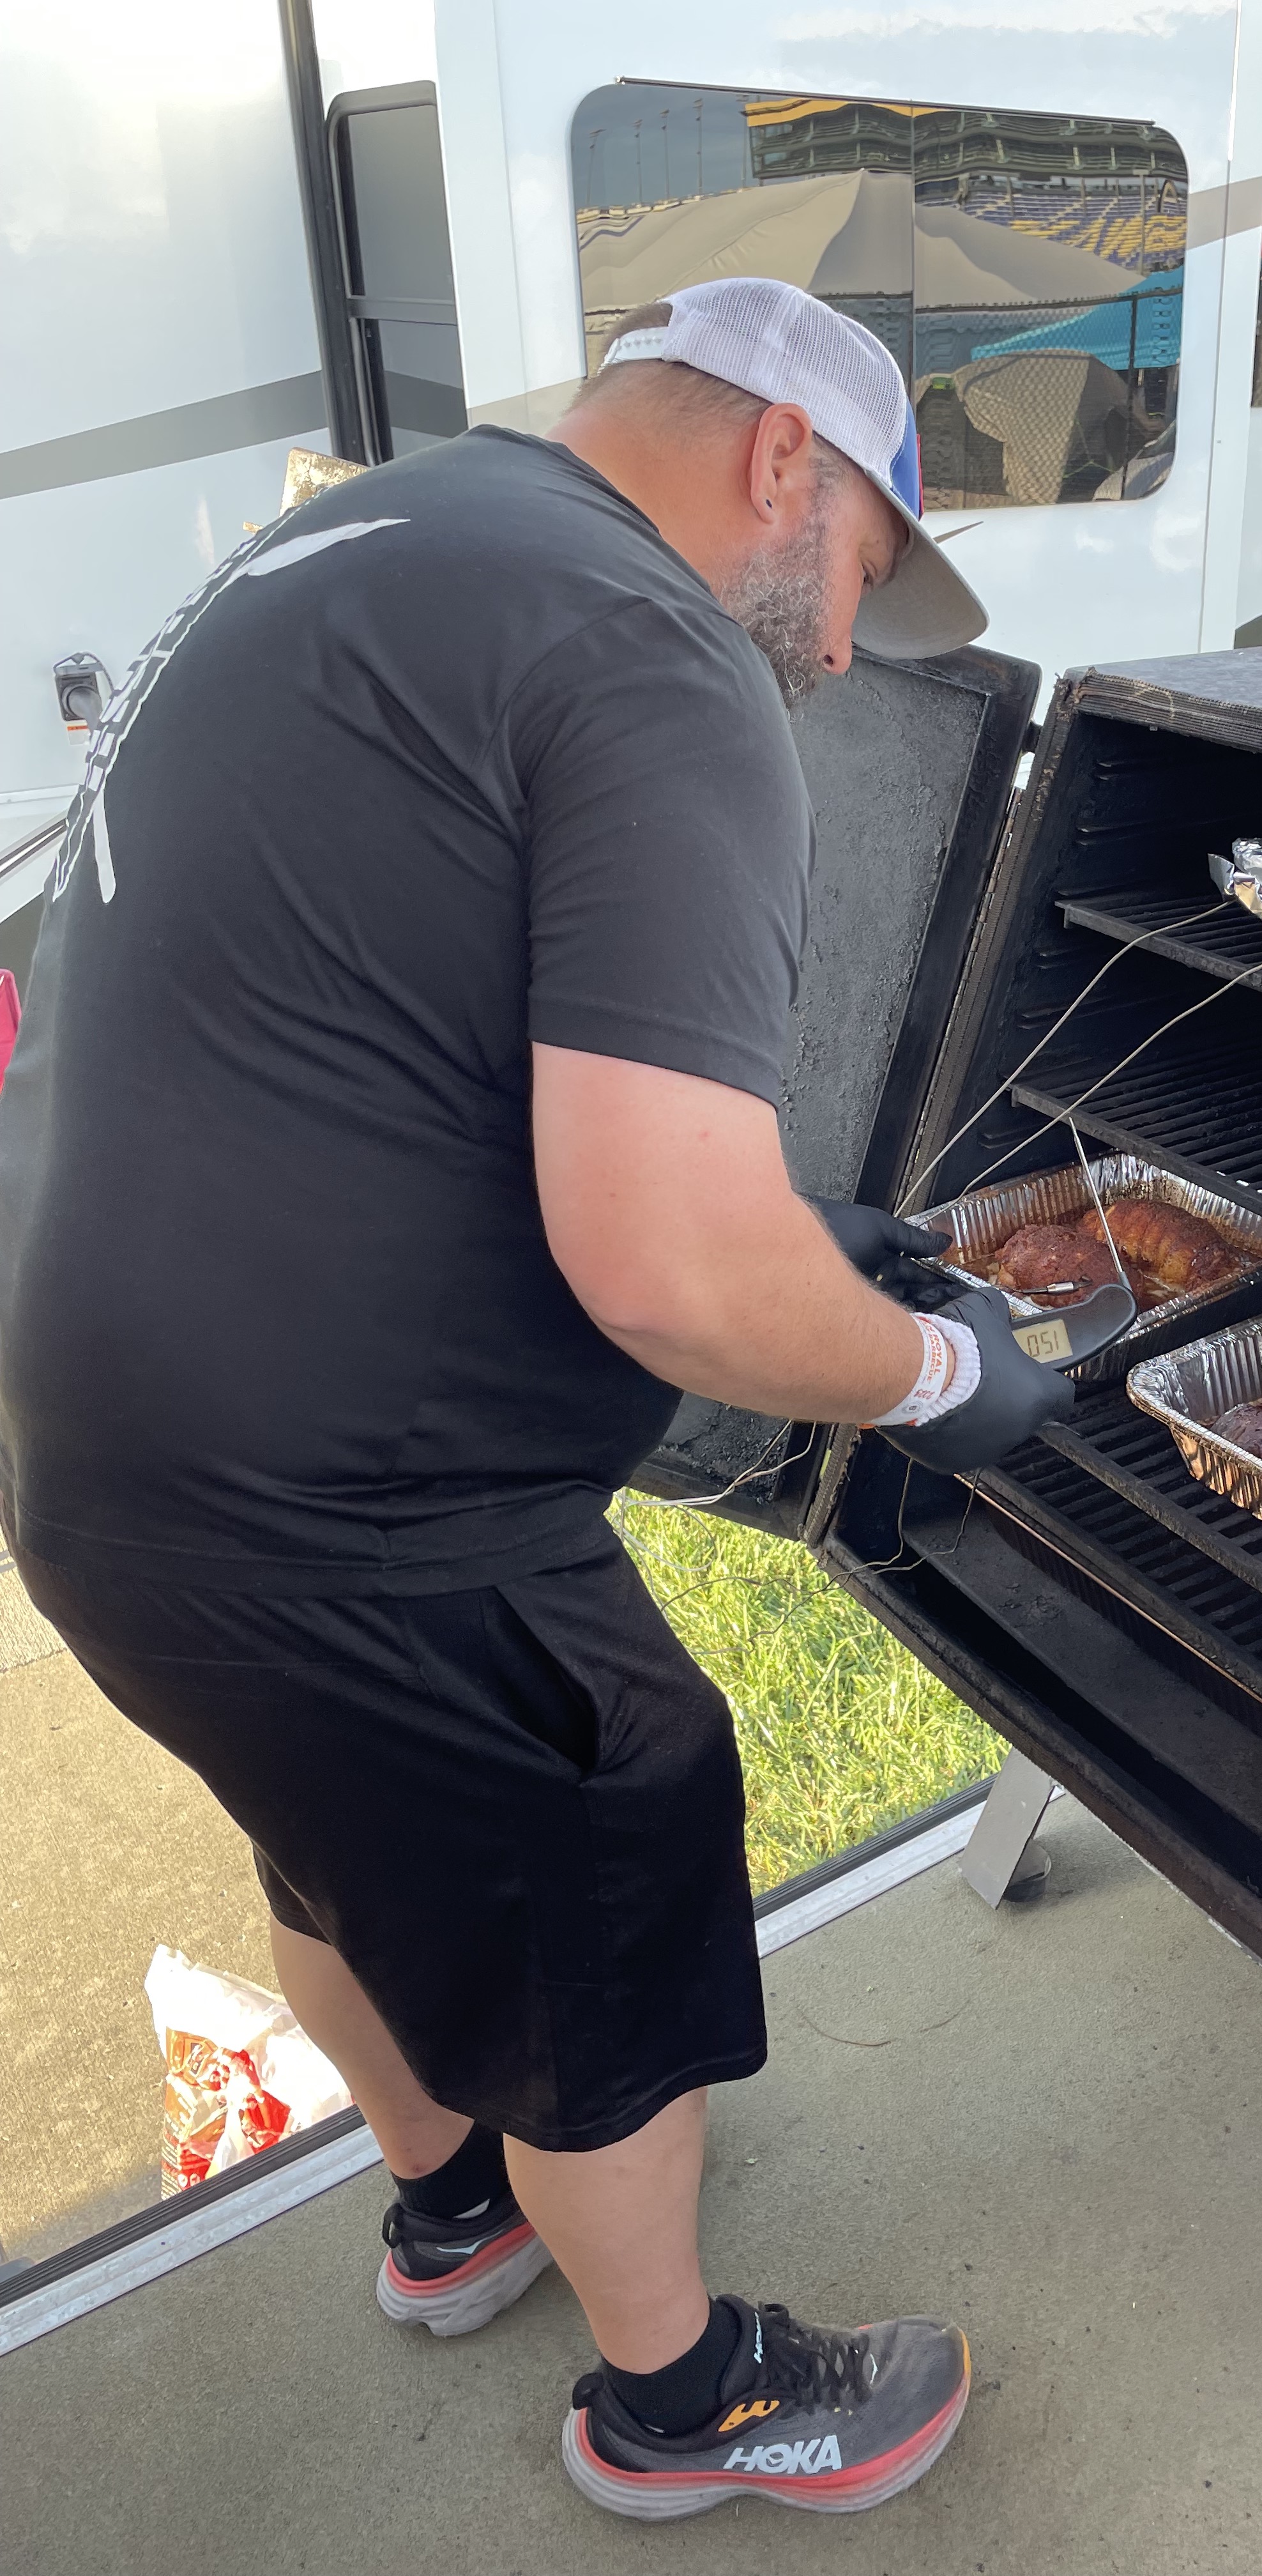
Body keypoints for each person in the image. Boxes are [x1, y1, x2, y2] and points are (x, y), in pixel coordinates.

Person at [0, 278, 1074, 2521]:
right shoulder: (651, 650)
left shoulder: (360, 537)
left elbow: (394, 1027)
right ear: (782, 460)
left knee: (351, 1843)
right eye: (865, 571)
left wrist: (796, 1228)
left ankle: (455, 2208)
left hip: (103, 1460)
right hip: (354, 1502)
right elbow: (667, 1269)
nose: (841, 647)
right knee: (609, 1829)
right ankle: (682, 2402)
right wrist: (929, 1369)